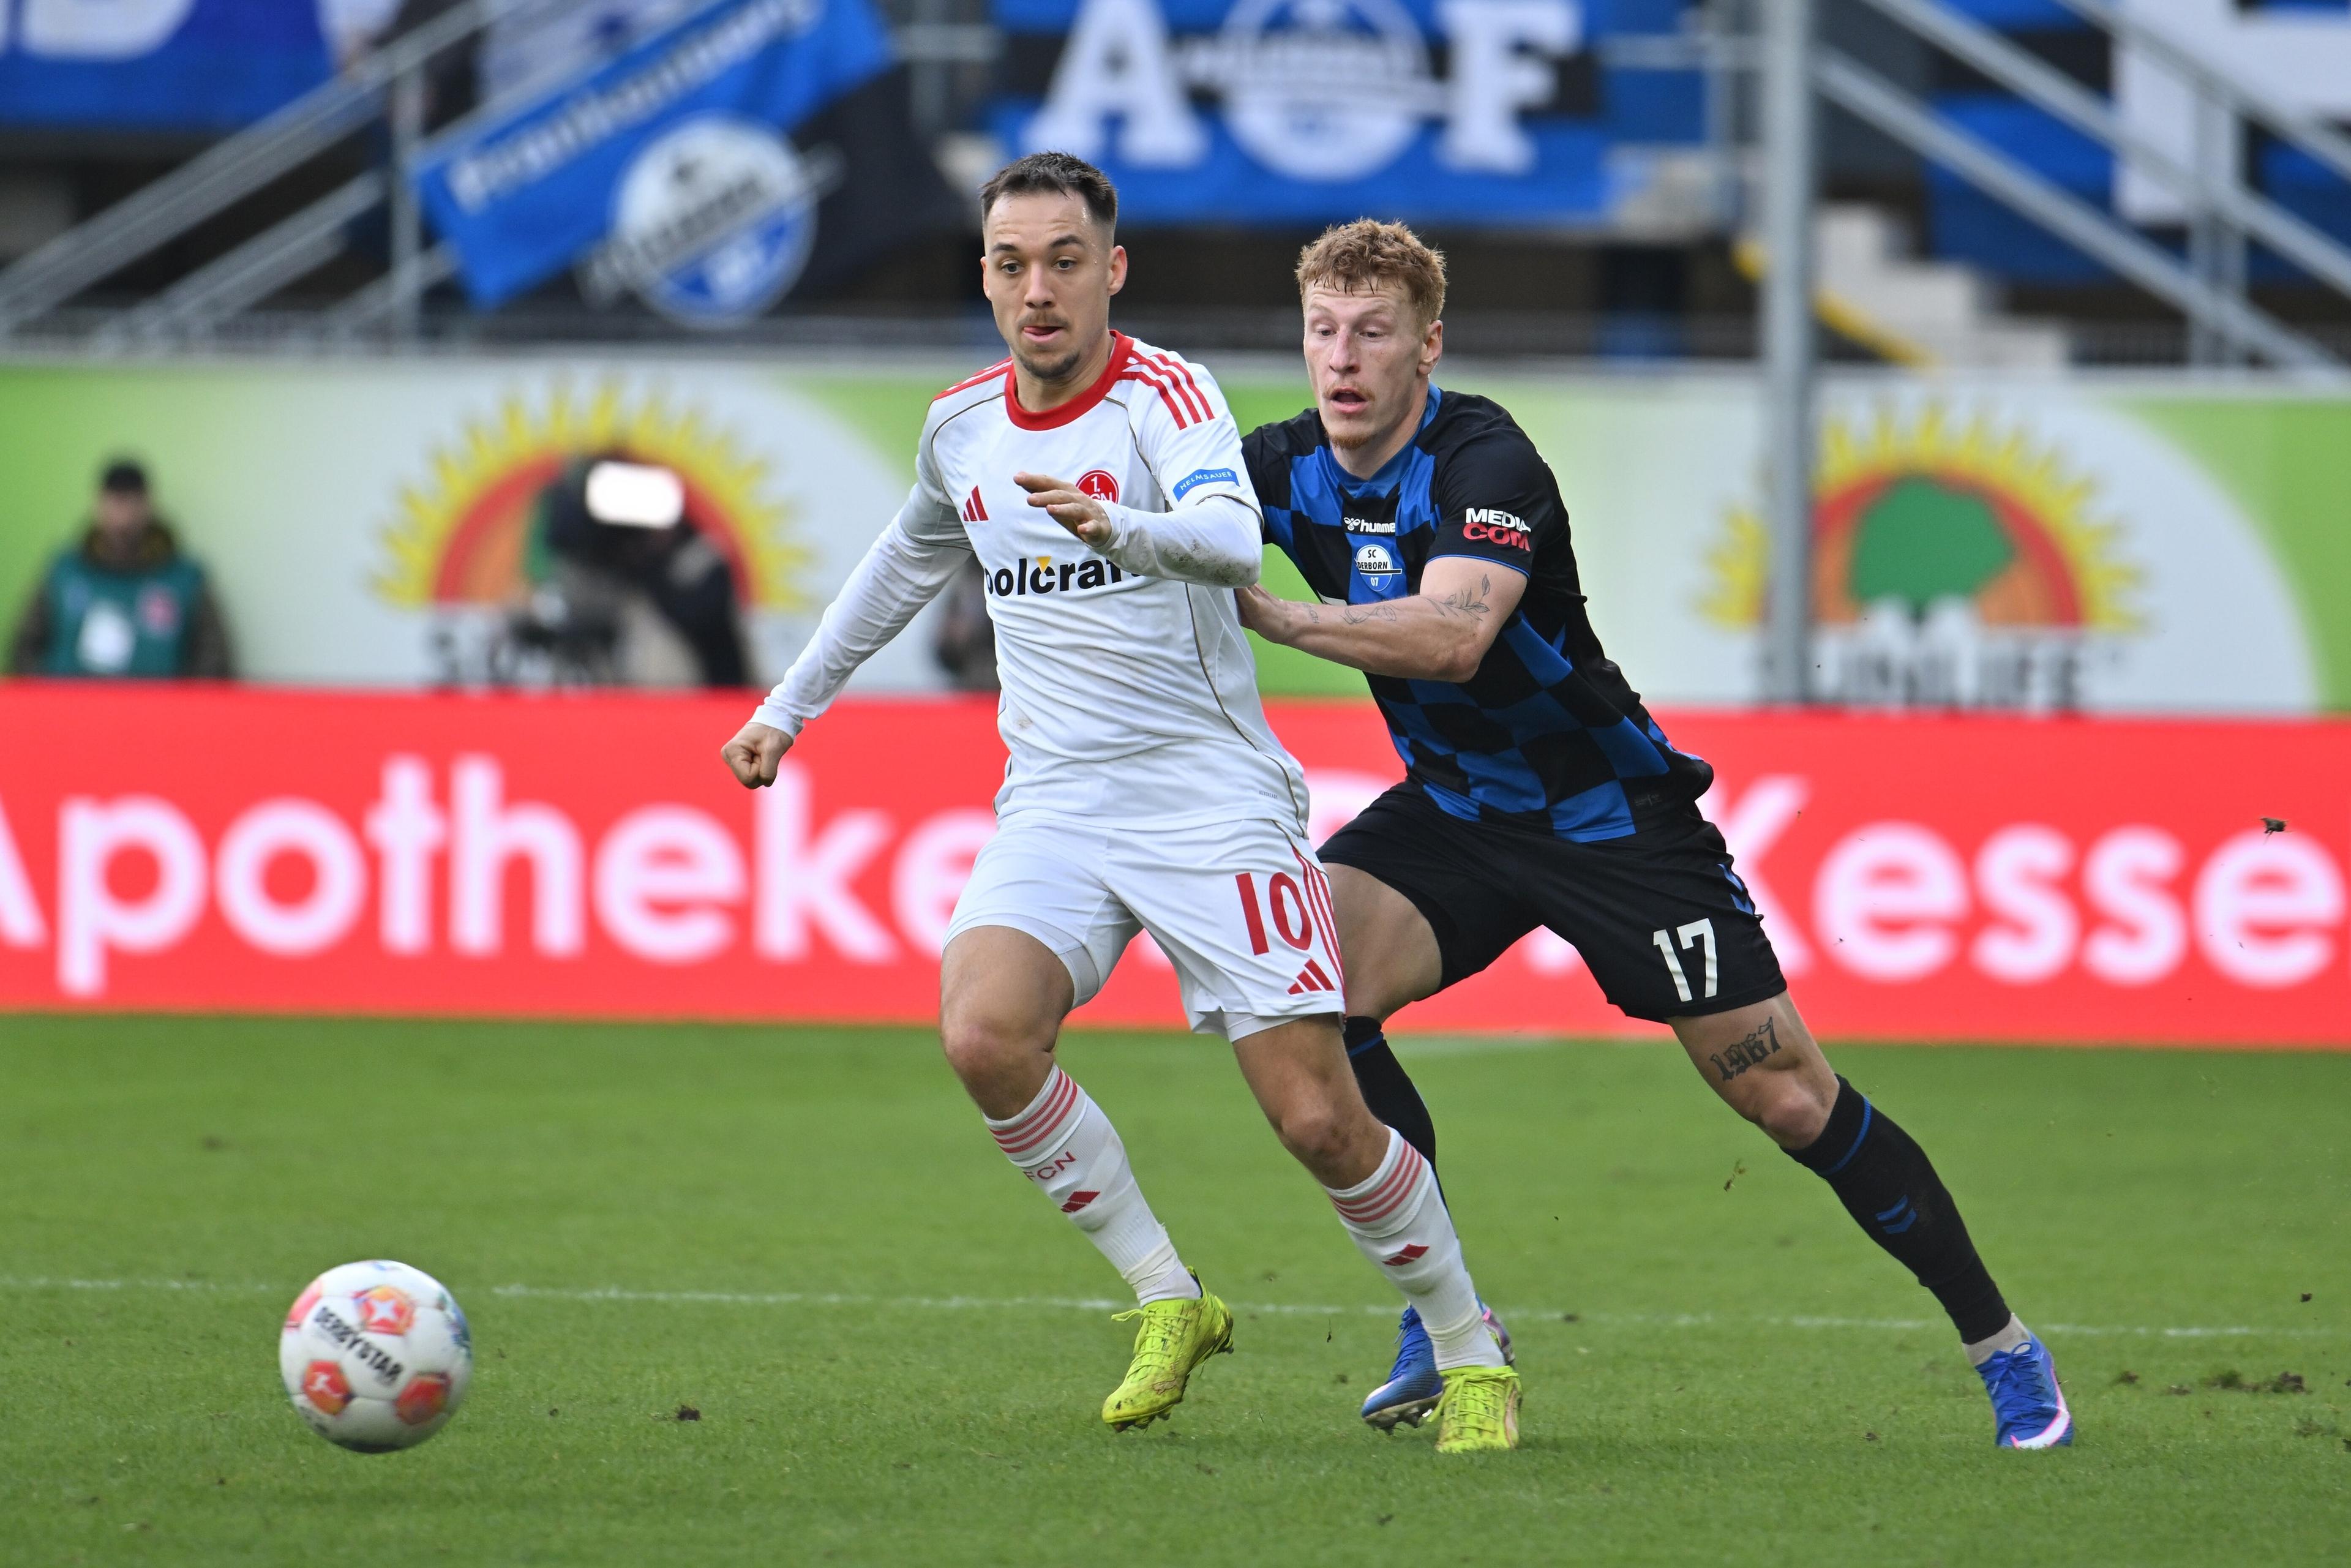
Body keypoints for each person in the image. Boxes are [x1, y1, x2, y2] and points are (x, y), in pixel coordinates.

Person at [719, 156, 1520, 1452]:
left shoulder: (1165, 393)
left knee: (1317, 1112)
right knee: (984, 1032)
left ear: (1112, 270)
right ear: (984, 274)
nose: (1037, 289)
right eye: (1010, 263)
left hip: (1209, 796)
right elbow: (901, 561)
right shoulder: (962, 424)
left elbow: (1224, 532)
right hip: (1056, 798)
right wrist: (787, 709)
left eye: (1064, 261)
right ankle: (1170, 1295)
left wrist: (1122, 527)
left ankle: (1473, 1349)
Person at [1235, 220, 2071, 1451]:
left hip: (1607, 816)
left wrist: (1279, 618)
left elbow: (1456, 634)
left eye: (1373, 332)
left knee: (1789, 1097)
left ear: (1429, 345)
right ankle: (1448, 1311)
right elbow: (1151, 508)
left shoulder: (1485, 455)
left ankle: (2005, 1345)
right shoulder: (1280, 464)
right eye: (1323, 331)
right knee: (1311, 992)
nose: (1343, 359)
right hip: (1458, 808)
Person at [9, 459, 233, 680]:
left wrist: (188, 709)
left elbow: (213, 659)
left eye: (132, 500)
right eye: (115, 500)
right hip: (69, 711)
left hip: (159, 713)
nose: (123, 513)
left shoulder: (184, 579)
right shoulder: (65, 572)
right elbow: (25, 647)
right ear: (98, 503)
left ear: (148, 504)